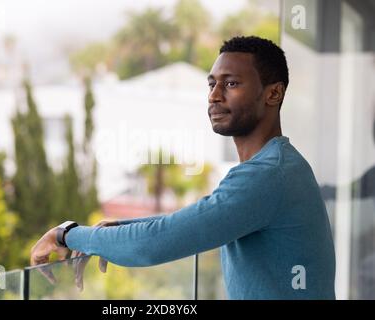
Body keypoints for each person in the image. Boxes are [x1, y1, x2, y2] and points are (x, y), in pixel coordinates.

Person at [30, 36, 336, 300]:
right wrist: (116, 231)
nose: (215, 96)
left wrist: (67, 234)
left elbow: (155, 244)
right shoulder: (277, 165)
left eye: (231, 83)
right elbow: (196, 221)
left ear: (273, 93)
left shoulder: (267, 175)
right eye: (212, 83)